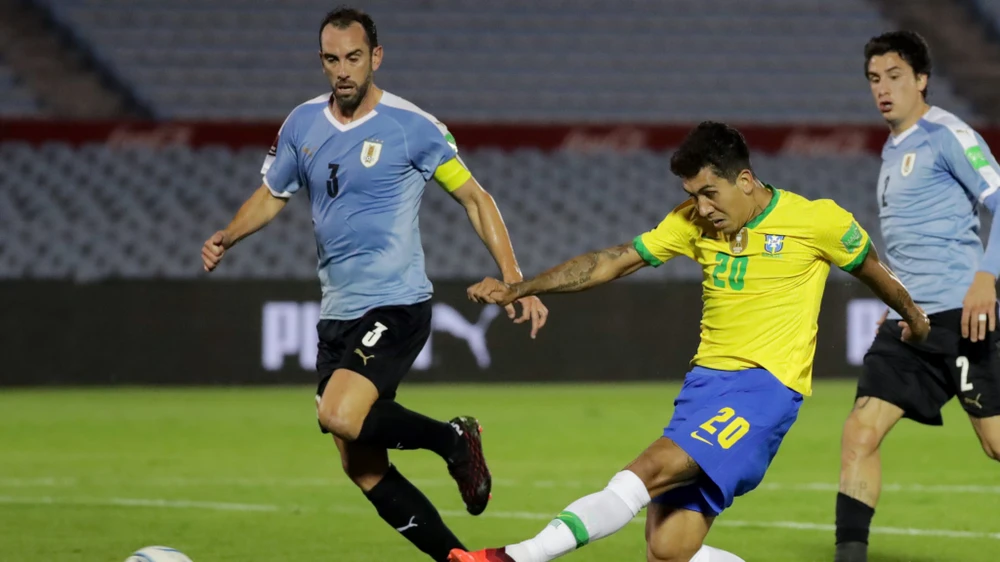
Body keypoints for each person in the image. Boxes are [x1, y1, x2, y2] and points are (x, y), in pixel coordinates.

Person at [451, 121, 929, 562]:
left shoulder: (817, 221)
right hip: (703, 388)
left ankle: (514, 556)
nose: (702, 208)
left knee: (644, 472)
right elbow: (614, 259)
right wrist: (522, 287)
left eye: (710, 193)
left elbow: (873, 270)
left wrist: (913, 317)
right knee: (668, 549)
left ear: (745, 180)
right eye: (693, 196)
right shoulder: (691, 223)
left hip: (764, 390)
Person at [200, 7, 548, 562]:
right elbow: (272, 194)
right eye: (332, 59)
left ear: (376, 58)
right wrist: (229, 235)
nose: (343, 70)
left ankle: (454, 441)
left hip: (396, 303)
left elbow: (475, 198)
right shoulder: (301, 124)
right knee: (360, 465)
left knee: (338, 414)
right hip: (336, 312)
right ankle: (456, 559)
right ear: (321, 61)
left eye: (354, 57)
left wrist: (514, 278)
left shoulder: (413, 126)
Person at [834, 30, 1000, 562]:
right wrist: (896, 304)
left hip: (963, 315)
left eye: (895, 77)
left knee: (996, 443)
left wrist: (987, 277)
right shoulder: (892, 148)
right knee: (860, 431)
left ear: (922, 79)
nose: (883, 89)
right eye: (874, 79)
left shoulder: (947, 134)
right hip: (909, 324)